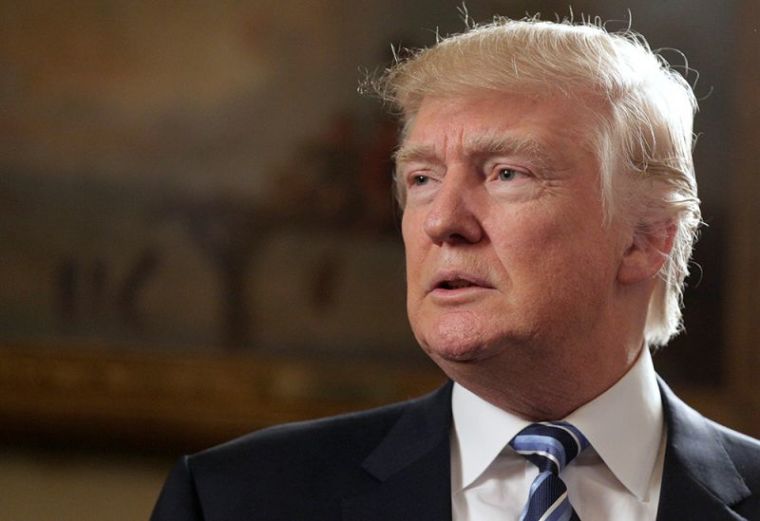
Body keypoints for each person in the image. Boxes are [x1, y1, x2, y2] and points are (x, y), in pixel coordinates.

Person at [150, 17, 760, 521]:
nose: (443, 221)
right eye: (422, 179)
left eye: (506, 174)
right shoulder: (236, 499)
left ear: (646, 240)